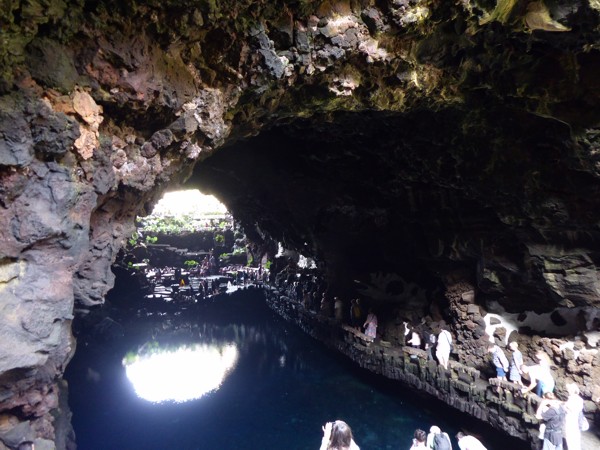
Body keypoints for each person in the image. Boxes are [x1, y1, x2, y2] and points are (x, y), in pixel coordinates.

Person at [563, 382, 584, 450]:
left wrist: (564, 406)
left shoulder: (572, 399)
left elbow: (570, 409)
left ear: (571, 390)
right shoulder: (580, 399)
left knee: (570, 439)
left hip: (570, 420)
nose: (567, 390)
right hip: (576, 420)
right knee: (576, 439)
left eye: (568, 389)